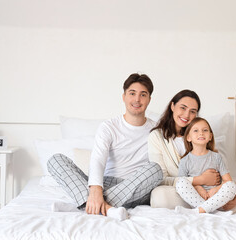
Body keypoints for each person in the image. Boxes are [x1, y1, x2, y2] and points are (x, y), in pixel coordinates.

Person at [47, 73, 163, 221]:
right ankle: (104, 207)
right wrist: (96, 189)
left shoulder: (157, 130)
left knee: (155, 169)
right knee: (55, 160)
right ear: (124, 97)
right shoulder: (109, 126)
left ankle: (83, 204)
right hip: (105, 183)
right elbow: (98, 159)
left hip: (136, 188)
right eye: (132, 93)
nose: (137, 99)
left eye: (143, 95)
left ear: (149, 99)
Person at [148, 89, 236, 212]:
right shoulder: (157, 137)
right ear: (172, 106)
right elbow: (161, 179)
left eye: (193, 111)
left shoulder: (206, 144)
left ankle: (211, 207)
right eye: (183, 107)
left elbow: (225, 179)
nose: (187, 115)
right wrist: (200, 180)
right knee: (159, 196)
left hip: (215, 191)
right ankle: (213, 208)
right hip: (185, 193)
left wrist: (230, 194)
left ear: (210, 136)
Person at [175, 117, 236, 214]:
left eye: (205, 130)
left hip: (216, 199)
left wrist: (215, 190)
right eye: (196, 130)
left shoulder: (216, 157)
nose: (201, 133)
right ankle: (210, 211)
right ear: (188, 137)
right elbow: (183, 182)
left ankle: (201, 211)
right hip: (196, 200)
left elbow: (227, 180)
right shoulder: (184, 161)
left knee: (231, 186)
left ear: (210, 136)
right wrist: (198, 188)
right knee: (180, 183)